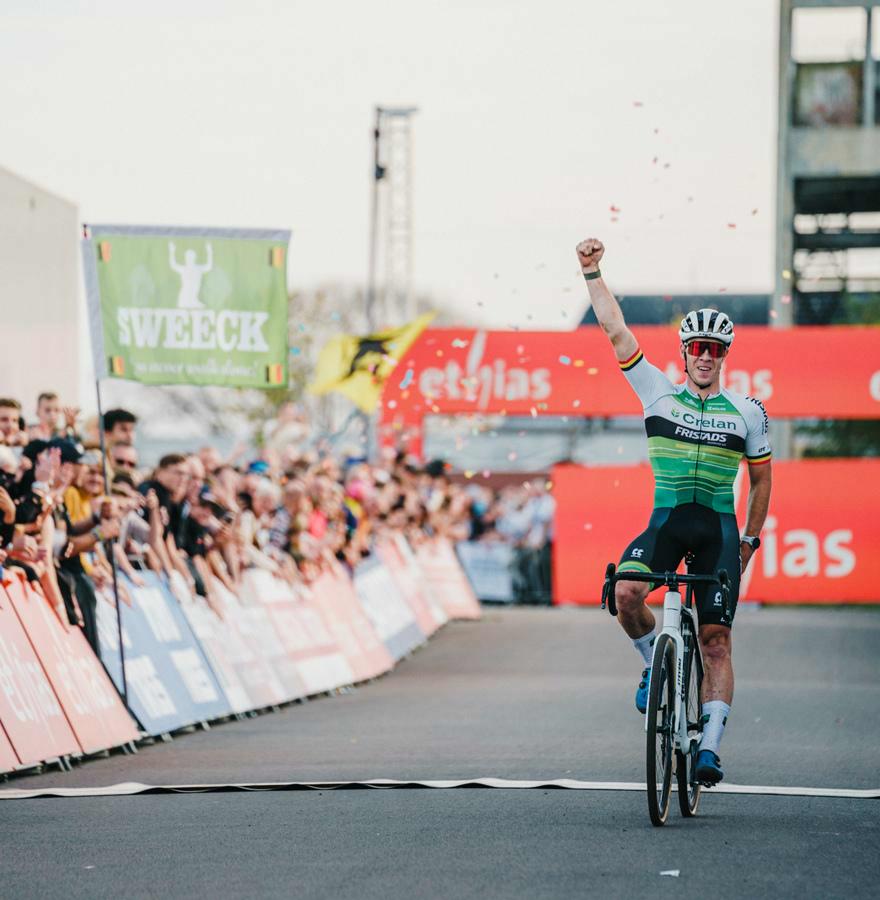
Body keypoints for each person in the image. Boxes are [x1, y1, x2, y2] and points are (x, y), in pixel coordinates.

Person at [575, 237, 772, 786]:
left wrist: (750, 542)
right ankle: (650, 664)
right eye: (697, 348)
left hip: (719, 532)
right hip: (665, 523)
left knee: (715, 641)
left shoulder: (748, 412)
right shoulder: (657, 393)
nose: (706, 357)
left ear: (725, 356)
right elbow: (617, 332)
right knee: (625, 593)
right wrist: (592, 272)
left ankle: (708, 747)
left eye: (716, 349)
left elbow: (760, 481)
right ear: (684, 352)